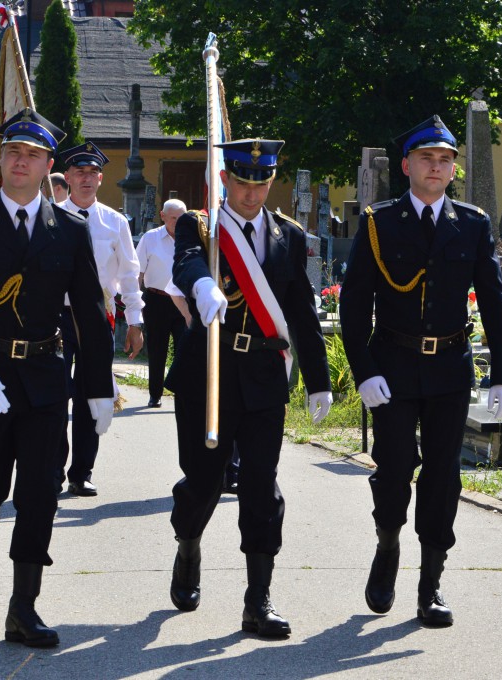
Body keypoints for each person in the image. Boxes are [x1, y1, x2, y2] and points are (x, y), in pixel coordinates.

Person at [0, 109, 114, 648]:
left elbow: (89, 310)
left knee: (40, 494)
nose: (21, 161)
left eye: (33, 155)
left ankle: (23, 607)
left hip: (43, 379)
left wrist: (100, 386)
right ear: (0, 161)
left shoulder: (71, 229)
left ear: (47, 166)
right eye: (13, 152)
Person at [339, 115, 502, 628]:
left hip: (449, 369)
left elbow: (493, 300)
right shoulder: (379, 222)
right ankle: (388, 543)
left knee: (443, 477)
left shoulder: (473, 222)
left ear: (453, 169)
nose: (436, 168)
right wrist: (364, 370)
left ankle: (430, 582)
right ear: (407, 166)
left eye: (444, 160)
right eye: (426, 159)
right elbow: (354, 307)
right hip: (392, 367)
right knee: (394, 467)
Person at [165, 138, 332, 638]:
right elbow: (186, 260)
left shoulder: (289, 235)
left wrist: (318, 379)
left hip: (261, 375)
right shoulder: (204, 226)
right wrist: (201, 284)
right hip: (208, 372)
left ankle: (257, 599)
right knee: (204, 481)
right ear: (225, 180)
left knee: (262, 484)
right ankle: (188, 541)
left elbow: (301, 309)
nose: (252, 194)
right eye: (242, 182)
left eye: (261, 183)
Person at [56, 141, 144, 496]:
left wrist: (135, 322)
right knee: (55, 395)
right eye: (80, 172)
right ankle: (52, 468)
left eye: (93, 173)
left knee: (93, 396)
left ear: (101, 178)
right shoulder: (51, 215)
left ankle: (81, 472)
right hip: (57, 317)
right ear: (68, 178)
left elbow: (129, 274)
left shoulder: (114, 221)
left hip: (97, 316)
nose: (87, 179)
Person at [136, 198, 190, 407]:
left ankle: (182, 394)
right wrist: (135, 303)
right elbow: (138, 272)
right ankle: (155, 394)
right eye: (174, 218)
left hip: (183, 302)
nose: (178, 222)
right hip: (156, 300)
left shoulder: (191, 238)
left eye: (182, 217)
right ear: (163, 216)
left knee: (184, 349)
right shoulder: (150, 238)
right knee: (157, 349)